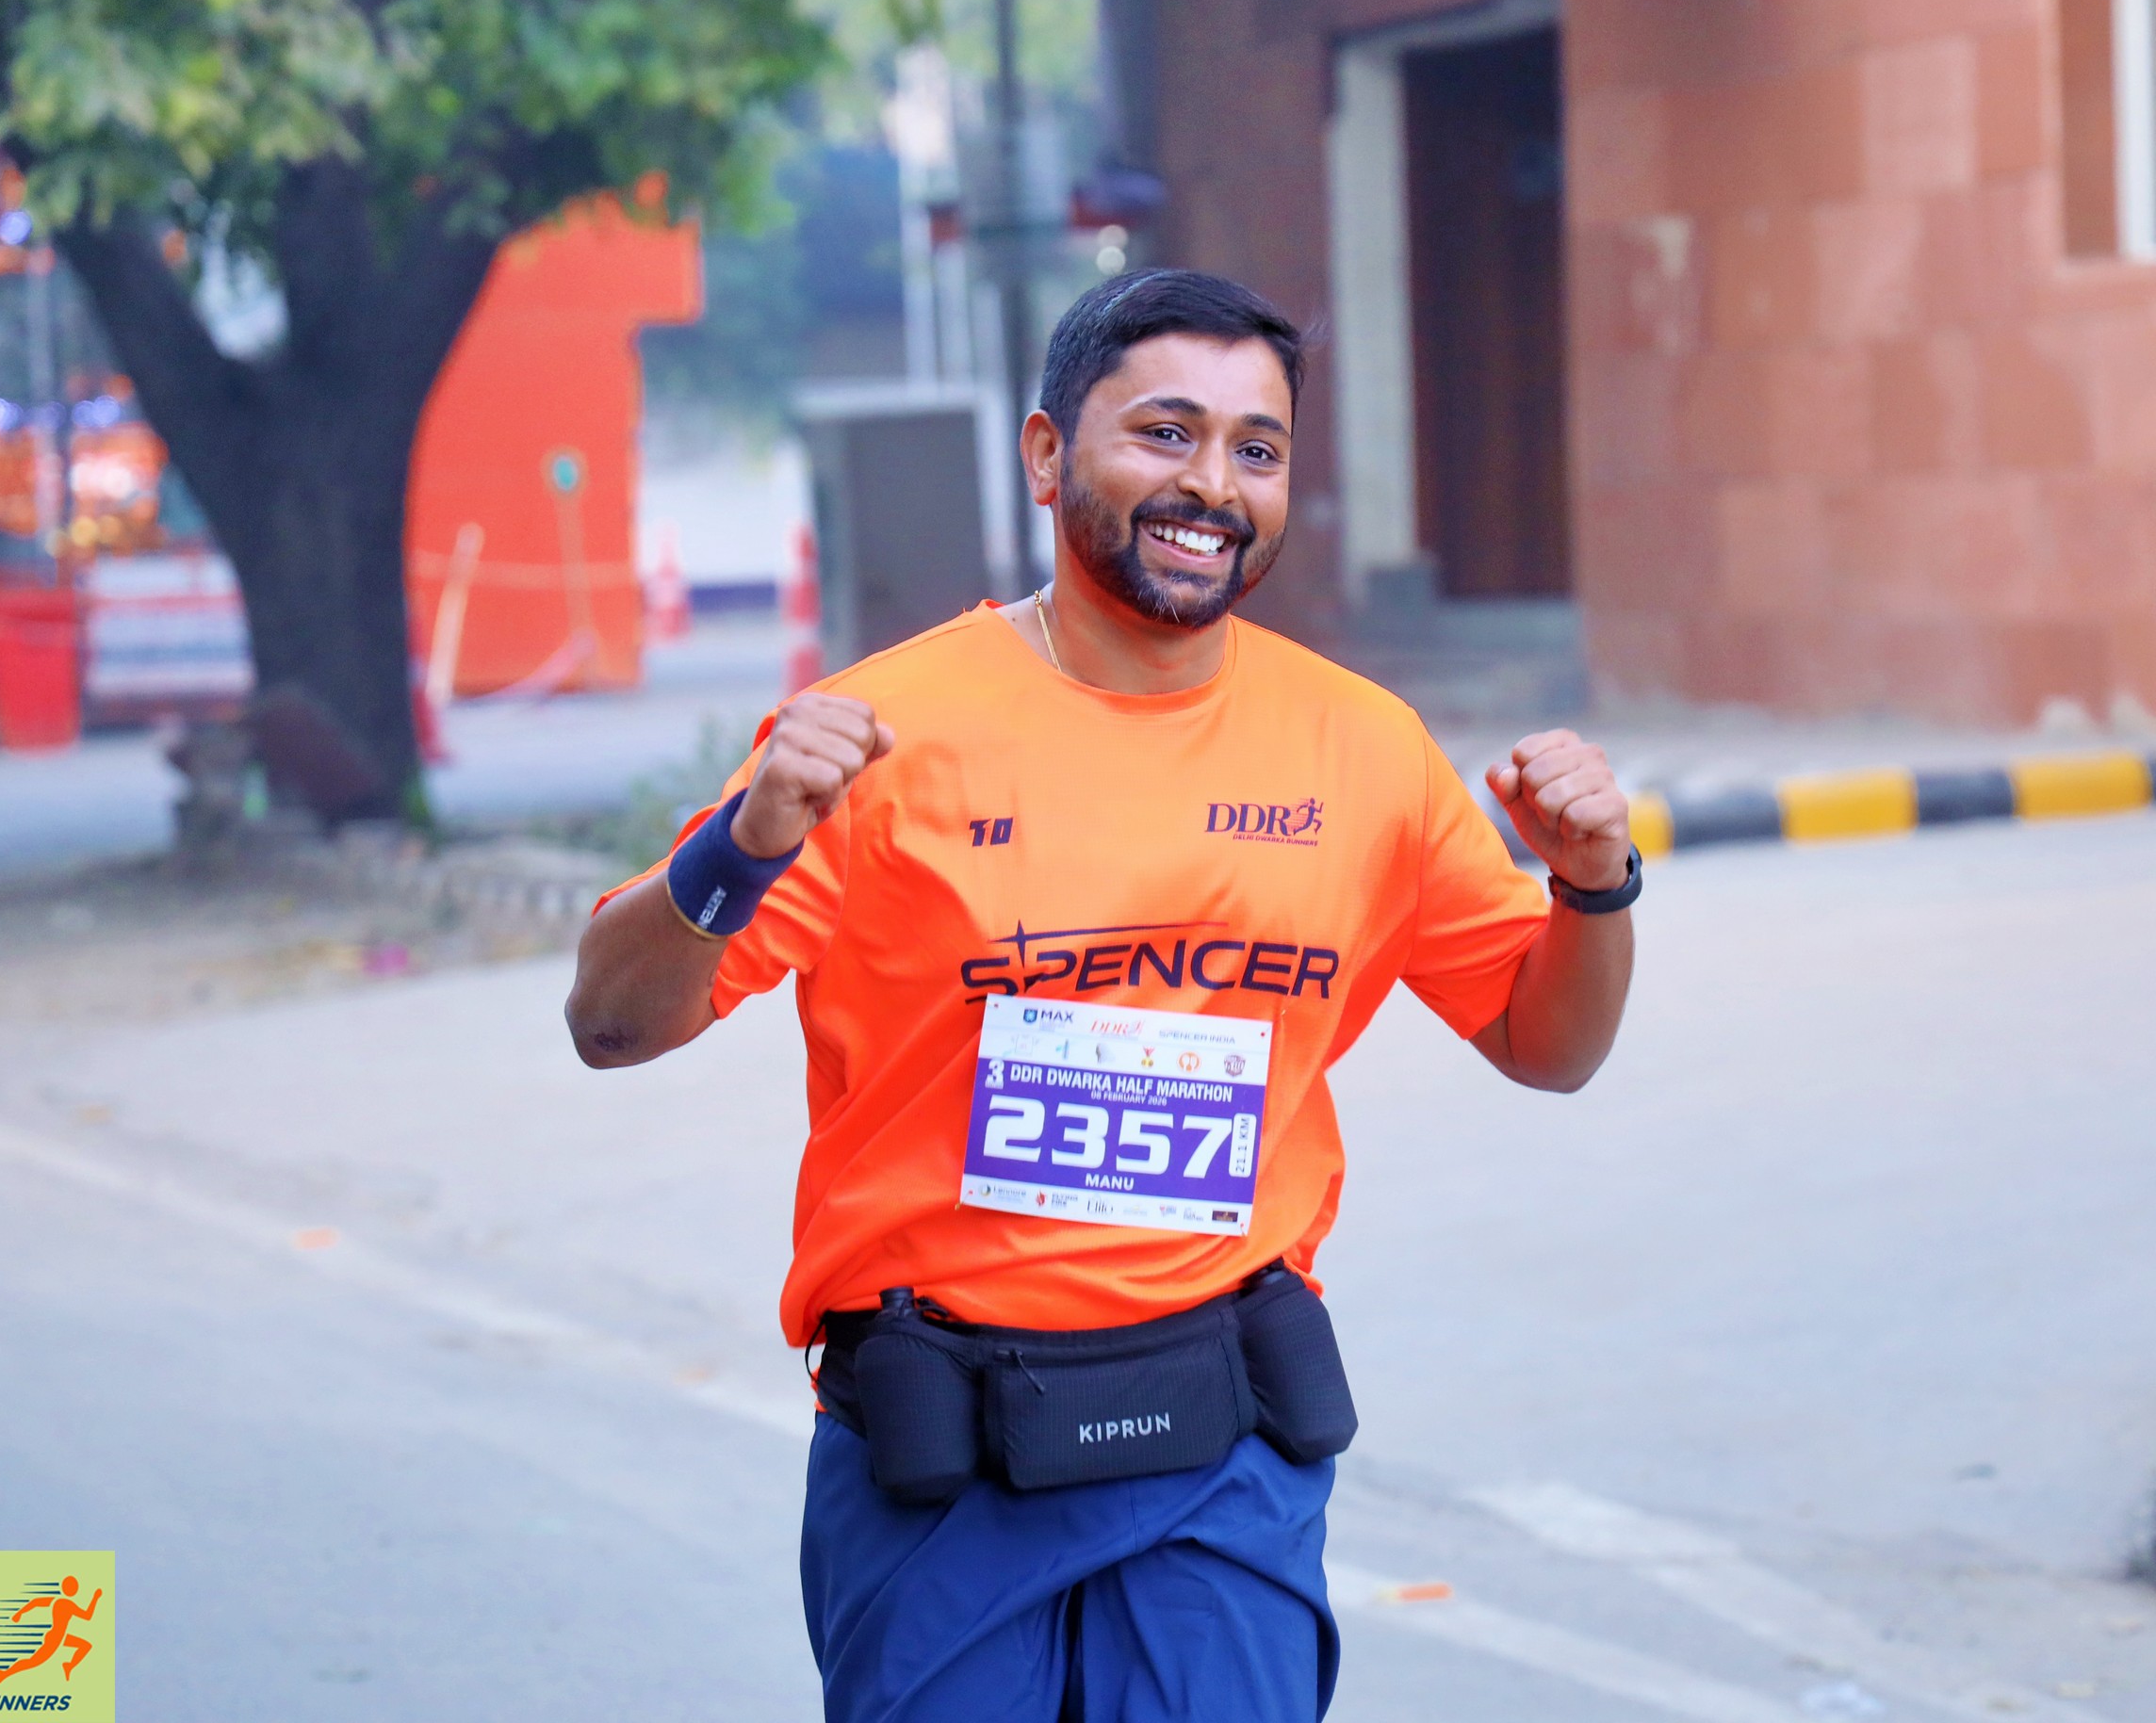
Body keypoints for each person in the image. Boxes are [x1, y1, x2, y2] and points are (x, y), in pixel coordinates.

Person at [565, 268, 1638, 1721]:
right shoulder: (888, 738)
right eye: (1166, 433)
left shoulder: (1363, 751)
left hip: (1223, 1453)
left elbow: (1547, 1044)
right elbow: (611, 1023)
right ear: (1047, 452)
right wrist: (742, 845)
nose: (1214, 486)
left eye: (1257, 448)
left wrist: (1593, 888)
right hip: (940, 1461)